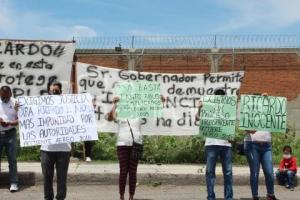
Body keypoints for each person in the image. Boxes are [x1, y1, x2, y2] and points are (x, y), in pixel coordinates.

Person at [195, 89, 233, 200]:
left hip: (226, 145)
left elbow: (231, 123)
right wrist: (200, 108)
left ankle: (228, 197)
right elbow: (197, 119)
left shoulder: (228, 107)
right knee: (210, 172)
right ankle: (210, 197)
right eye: (217, 95)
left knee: (228, 173)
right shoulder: (207, 107)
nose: (220, 97)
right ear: (214, 96)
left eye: (222, 95)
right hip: (211, 144)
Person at [40, 81, 71, 200]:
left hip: (63, 149)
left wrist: (89, 107)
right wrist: (19, 109)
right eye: (52, 91)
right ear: (48, 92)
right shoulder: (42, 104)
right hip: (46, 149)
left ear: (61, 92)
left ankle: (60, 198)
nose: (54, 93)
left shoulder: (68, 104)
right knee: (46, 178)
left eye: (57, 91)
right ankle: (48, 198)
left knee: (62, 178)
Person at [244, 93, 278, 200]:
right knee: (255, 172)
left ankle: (270, 194)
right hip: (253, 145)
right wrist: (249, 130)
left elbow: (274, 113)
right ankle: (255, 196)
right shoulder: (249, 112)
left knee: (269, 172)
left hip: (267, 146)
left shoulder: (267, 111)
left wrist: (267, 99)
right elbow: (244, 126)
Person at [0, 85, 19, 192]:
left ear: (11, 94)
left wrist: (10, 123)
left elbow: (20, 118)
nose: (5, 99)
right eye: (3, 97)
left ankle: (14, 183)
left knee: (12, 160)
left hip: (10, 134)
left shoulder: (15, 103)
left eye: (7, 97)